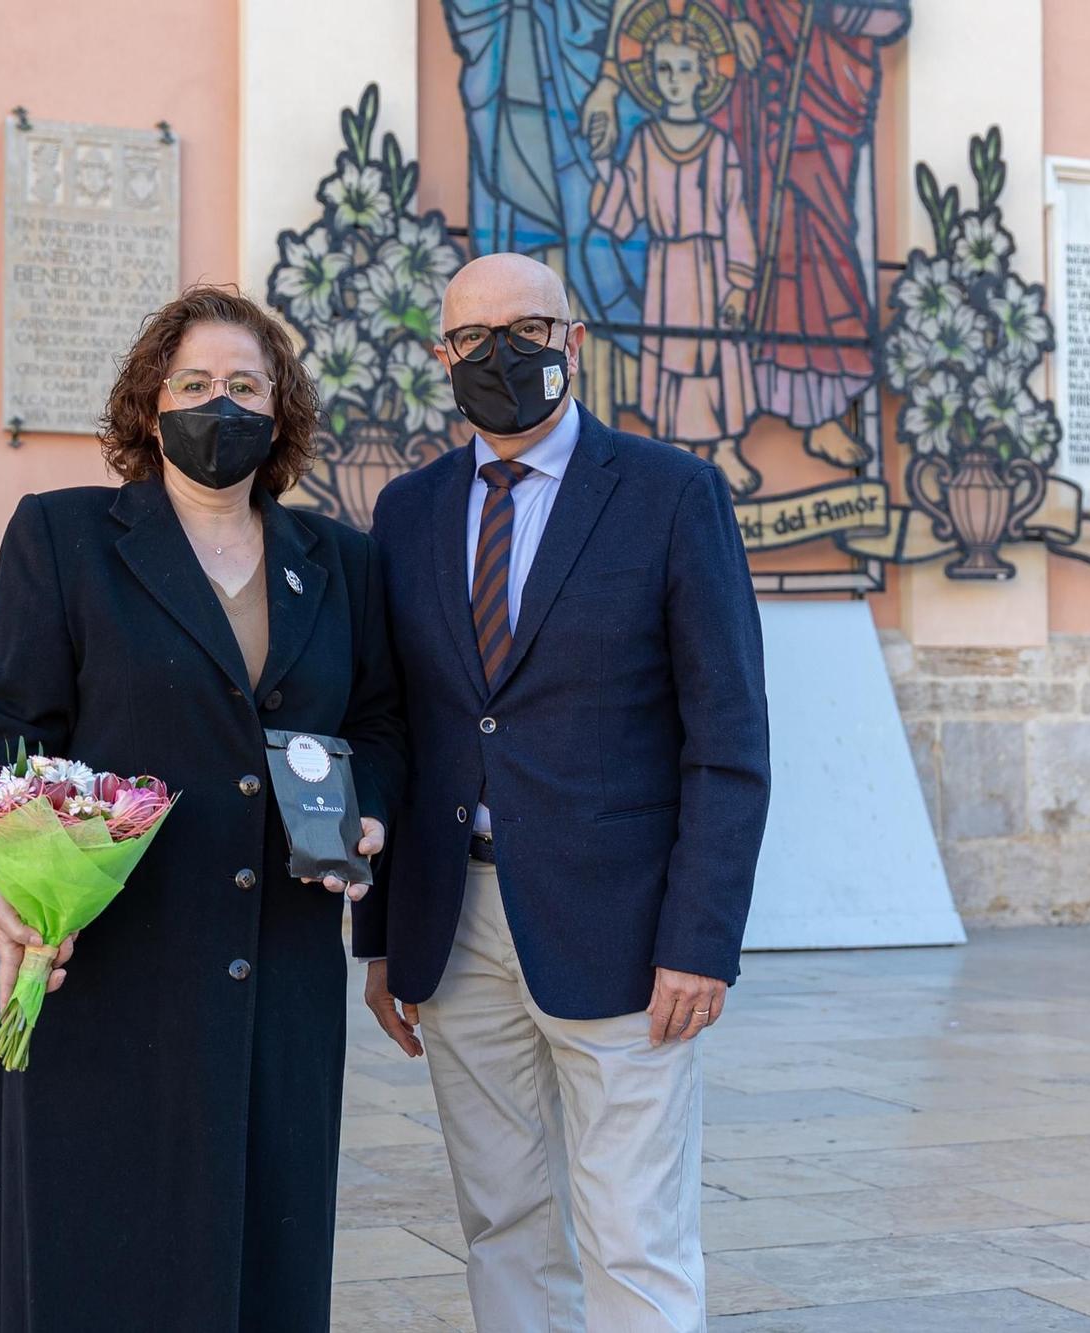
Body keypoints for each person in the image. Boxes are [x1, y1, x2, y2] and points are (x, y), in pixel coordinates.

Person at [0, 287, 404, 1332]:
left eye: (245, 385)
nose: (221, 403)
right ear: (149, 401)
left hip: (279, 965)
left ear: (279, 408)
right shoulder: (63, 536)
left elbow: (383, 723)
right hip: (110, 963)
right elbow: (13, 735)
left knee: (263, 1253)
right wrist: (7, 887)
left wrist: (370, 813)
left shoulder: (337, 561)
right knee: (96, 1254)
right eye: (196, 383)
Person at [360, 253, 771, 1331]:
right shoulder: (404, 513)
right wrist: (381, 934)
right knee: (502, 1218)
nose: (500, 355)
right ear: (440, 357)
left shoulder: (671, 495)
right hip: (454, 928)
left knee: (634, 1228)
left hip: (626, 930)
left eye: (526, 329)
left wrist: (701, 936)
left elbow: (726, 737)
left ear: (573, 341)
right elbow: (392, 728)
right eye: (470, 338)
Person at [588, 13, 762, 491]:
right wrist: (604, 162)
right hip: (668, 271)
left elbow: (735, 215)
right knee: (675, 357)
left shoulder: (719, 144)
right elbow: (625, 206)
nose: (675, 81)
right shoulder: (645, 140)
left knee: (716, 357)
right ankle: (676, 454)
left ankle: (726, 445)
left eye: (685, 69)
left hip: (712, 269)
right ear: (651, 74)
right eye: (664, 69)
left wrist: (740, 286)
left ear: (704, 73)